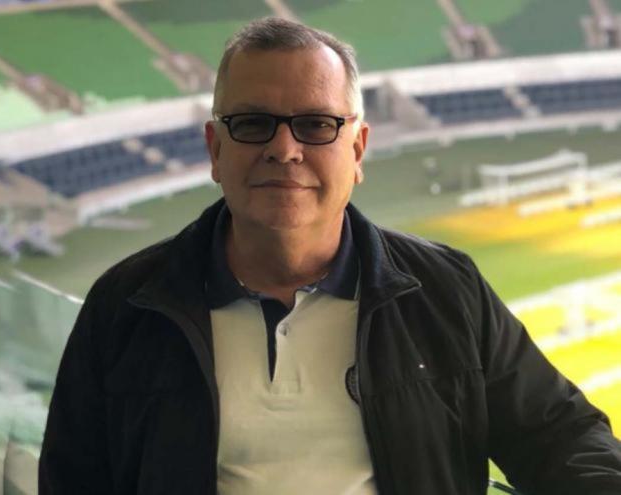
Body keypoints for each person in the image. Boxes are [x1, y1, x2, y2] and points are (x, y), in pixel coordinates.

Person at [39, 17, 621, 495]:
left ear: (358, 149)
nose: (284, 150)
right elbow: (74, 480)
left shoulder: (447, 288)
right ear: (215, 150)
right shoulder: (127, 304)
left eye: (317, 124)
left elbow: (562, 438)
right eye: (253, 124)